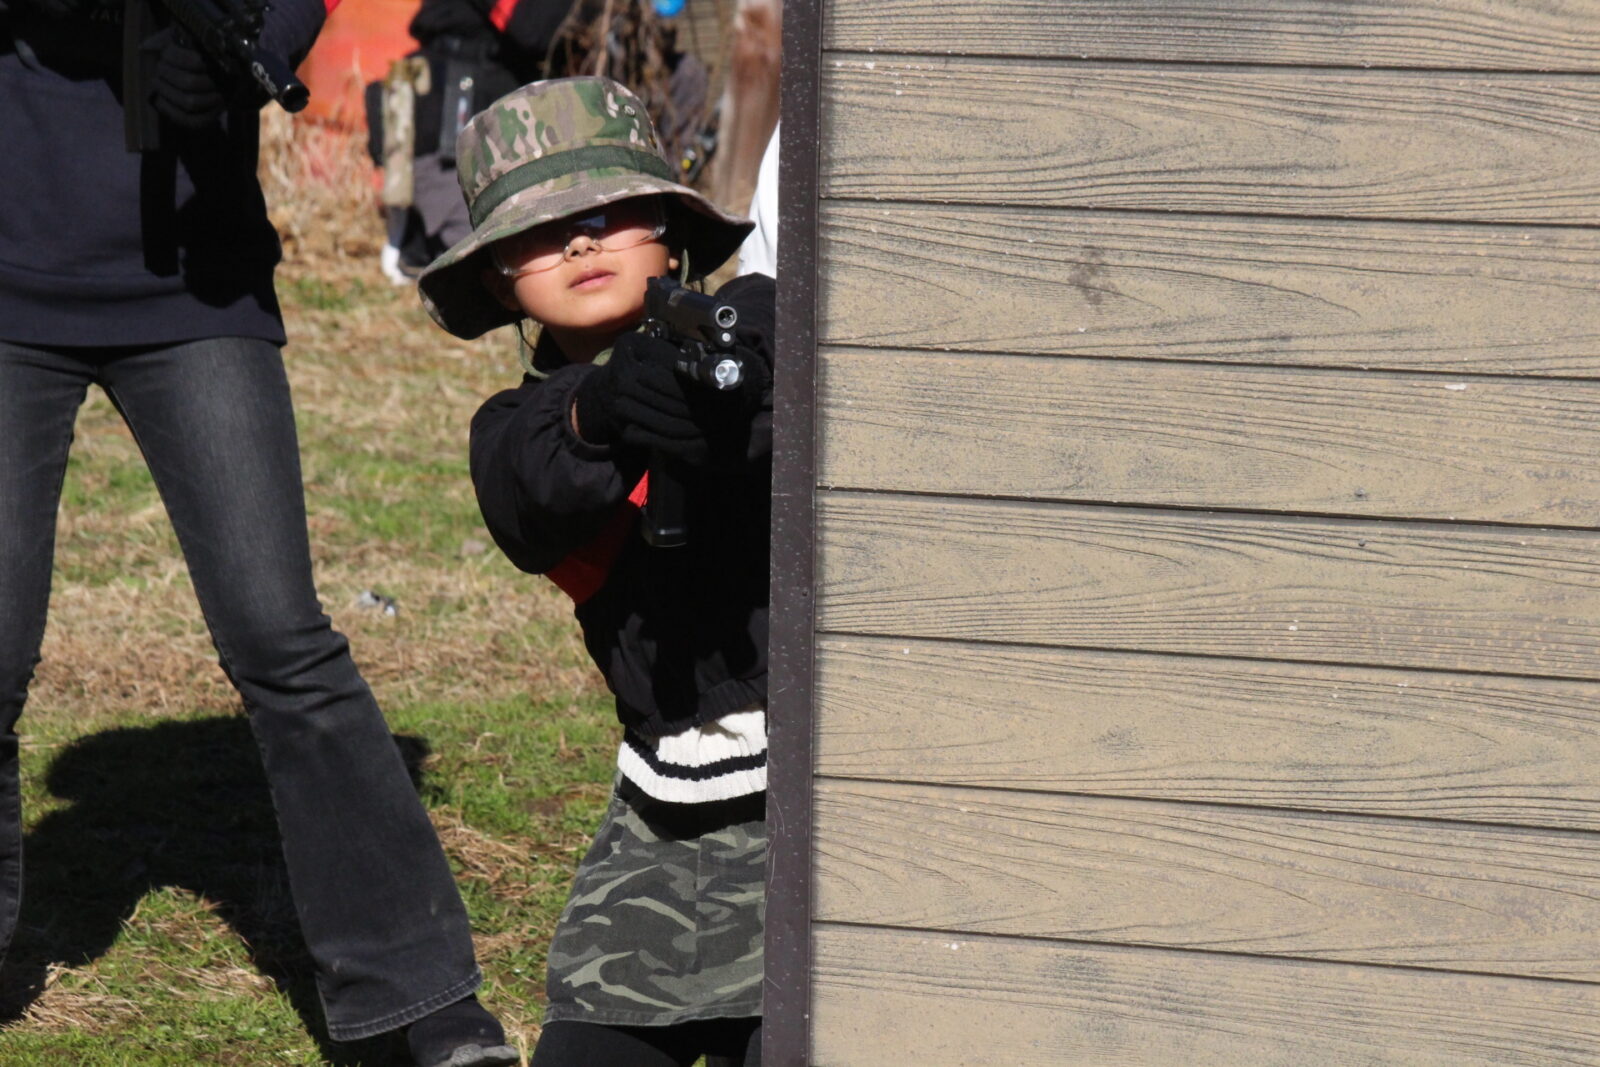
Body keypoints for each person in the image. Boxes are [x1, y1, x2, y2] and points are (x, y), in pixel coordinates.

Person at [0, 4, 516, 1065]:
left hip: (199, 286)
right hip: (8, 282)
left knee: (282, 635)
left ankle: (415, 993)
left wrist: (250, 52)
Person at [417, 77, 772, 1067]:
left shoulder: (753, 322)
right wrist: (607, 404)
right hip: (669, 820)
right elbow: (531, 483)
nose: (581, 241)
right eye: (542, 230)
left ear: (671, 232)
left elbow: (773, 355)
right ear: (499, 282)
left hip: (832, 801)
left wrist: (735, 385)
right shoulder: (514, 428)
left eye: (611, 213)